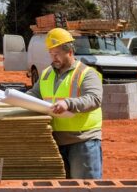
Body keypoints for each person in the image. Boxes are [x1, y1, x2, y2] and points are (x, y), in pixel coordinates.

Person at [26, 27, 103, 179]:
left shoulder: (87, 73)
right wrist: (17, 100)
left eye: (57, 54)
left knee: (85, 190)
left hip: (83, 142)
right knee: (62, 191)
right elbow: (34, 94)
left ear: (69, 51)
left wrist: (68, 103)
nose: (53, 58)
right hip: (55, 140)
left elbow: (94, 98)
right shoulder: (47, 74)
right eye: (51, 53)